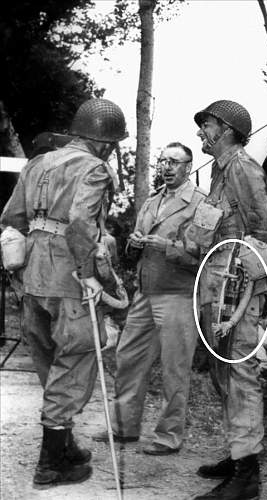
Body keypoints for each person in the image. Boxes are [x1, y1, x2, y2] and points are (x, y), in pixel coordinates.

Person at [0, 98, 128, 488]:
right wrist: (90, 276)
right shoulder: (95, 169)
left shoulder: (38, 162)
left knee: (49, 360)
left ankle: (65, 443)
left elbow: (11, 220)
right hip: (70, 278)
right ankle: (51, 464)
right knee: (74, 360)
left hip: (32, 279)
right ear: (105, 143)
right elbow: (79, 224)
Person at [190, 100, 267, 500]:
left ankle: (247, 476)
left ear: (225, 130)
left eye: (206, 126)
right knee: (222, 374)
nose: (201, 133)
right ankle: (237, 453)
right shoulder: (219, 171)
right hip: (218, 283)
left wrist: (247, 289)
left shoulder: (244, 168)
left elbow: (264, 231)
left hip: (239, 287)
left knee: (241, 376)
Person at [93, 142, 206, 455]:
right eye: (163, 161)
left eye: (174, 162)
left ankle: (168, 436)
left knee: (174, 368)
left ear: (188, 166)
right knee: (129, 359)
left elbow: (205, 256)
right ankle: (123, 427)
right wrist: (135, 244)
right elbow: (135, 249)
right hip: (145, 294)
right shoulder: (151, 200)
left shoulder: (200, 203)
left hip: (178, 296)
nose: (167, 167)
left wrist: (167, 246)